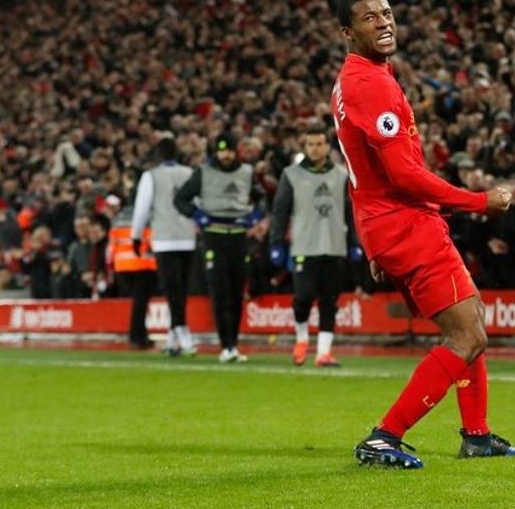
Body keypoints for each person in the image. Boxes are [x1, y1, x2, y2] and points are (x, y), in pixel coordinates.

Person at [332, 0, 515, 468]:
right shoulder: (370, 84)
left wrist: (370, 240)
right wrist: (480, 201)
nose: (383, 22)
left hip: (391, 225)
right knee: (466, 335)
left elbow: (360, 173)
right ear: (346, 32)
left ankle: (476, 435)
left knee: (472, 317)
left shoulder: (360, 77)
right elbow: (403, 175)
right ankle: (383, 437)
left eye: (388, 13)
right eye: (369, 18)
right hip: (406, 224)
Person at [175, 130, 266, 363]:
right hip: (213, 234)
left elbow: (262, 197)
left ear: (236, 151)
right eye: (221, 150)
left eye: (229, 150)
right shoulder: (203, 172)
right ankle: (225, 344)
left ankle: (232, 345)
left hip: (238, 234)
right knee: (219, 291)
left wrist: (255, 215)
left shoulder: (247, 173)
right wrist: (197, 215)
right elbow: (180, 198)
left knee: (237, 291)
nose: (225, 155)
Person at [269, 126, 354, 368]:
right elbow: (280, 212)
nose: (315, 149)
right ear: (304, 147)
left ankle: (323, 353)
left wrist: (356, 243)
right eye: (310, 144)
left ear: (328, 146)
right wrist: (276, 243)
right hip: (304, 248)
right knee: (303, 298)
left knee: (330, 302)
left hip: (335, 247)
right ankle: (302, 338)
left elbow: (350, 214)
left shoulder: (341, 176)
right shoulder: (291, 175)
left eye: (319, 144)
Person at [131, 136, 198, 356]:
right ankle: (173, 338)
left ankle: (182, 330)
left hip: (164, 239)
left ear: (158, 155)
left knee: (171, 289)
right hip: (187, 236)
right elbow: (197, 204)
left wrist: (136, 235)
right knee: (181, 289)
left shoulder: (151, 176)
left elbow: (142, 208)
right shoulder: (189, 173)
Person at [109, 205, 158, 349]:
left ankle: (141, 335)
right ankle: (136, 337)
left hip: (122, 267)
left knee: (138, 304)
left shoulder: (118, 221)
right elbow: (152, 243)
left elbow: (111, 249)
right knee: (140, 304)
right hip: (142, 265)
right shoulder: (145, 220)